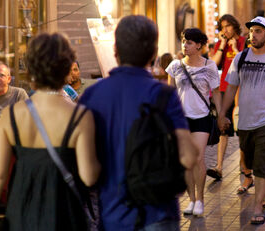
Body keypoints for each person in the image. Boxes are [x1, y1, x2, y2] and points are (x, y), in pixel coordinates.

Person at [79, 15, 198, 230]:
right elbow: (189, 158)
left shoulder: (92, 96)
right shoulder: (164, 95)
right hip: (160, 213)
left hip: (114, 214)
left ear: (115, 51)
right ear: (153, 53)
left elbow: (88, 174)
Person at [0, 33, 100, 230]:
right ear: (66, 70)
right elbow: (89, 176)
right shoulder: (81, 115)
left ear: (31, 71)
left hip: (22, 211)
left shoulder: (11, 115)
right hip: (66, 215)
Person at [218, 16, 265, 225]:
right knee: (249, 164)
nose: (254, 34)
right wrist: (223, 113)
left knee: (262, 165)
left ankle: (258, 206)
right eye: (252, 31)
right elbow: (231, 86)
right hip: (245, 122)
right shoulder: (240, 58)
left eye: (259, 31)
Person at [166, 28, 222, 217]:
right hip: (182, 119)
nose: (185, 45)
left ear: (199, 45)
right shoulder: (174, 66)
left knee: (197, 158)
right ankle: (191, 200)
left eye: (189, 42)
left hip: (202, 117)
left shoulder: (209, 66)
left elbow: (217, 94)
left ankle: (200, 199)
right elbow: (171, 94)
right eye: (183, 41)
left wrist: (221, 115)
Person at [207, 14, 252, 192]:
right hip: (225, 88)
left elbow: (245, 62)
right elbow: (213, 64)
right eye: (222, 27)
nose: (225, 30)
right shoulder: (221, 45)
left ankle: (244, 167)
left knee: (241, 128)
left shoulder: (243, 41)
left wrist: (235, 47)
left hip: (241, 89)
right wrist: (223, 46)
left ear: (234, 26)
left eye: (228, 26)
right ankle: (219, 167)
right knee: (223, 128)